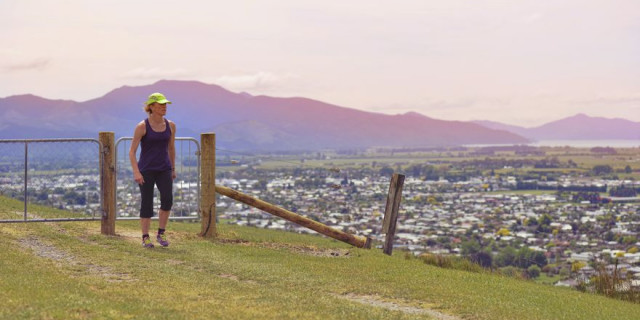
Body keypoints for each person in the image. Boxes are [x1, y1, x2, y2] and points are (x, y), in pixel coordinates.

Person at [129, 92, 177, 248]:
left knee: (167, 200)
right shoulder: (142, 126)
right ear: (151, 106)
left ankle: (161, 233)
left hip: (164, 169)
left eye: (165, 104)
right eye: (161, 104)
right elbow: (132, 152)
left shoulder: (171, 125)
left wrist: (173, 168)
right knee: (147, 203)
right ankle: (145, 237)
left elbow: (171, 148)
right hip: (146, 170)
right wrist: (136, 172)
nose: (164, 107)